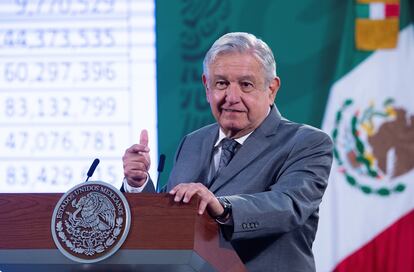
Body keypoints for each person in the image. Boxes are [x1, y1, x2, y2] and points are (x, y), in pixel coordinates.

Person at [122, 32, 333, 272]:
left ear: (271, 89)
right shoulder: (193, 142)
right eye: (221, 83)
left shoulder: (307, 142)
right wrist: (138, 185)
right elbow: (171, 218)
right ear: (206, 86)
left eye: (246, 85)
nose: (232, 98)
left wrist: (221, 207)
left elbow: (288, 206)